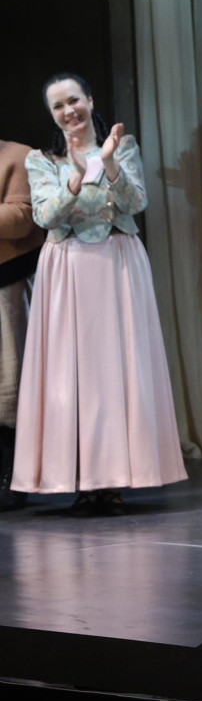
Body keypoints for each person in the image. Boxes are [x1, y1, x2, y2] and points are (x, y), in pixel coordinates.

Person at [12, 73, 186, 514]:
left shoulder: (121, 148)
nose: (68, 111)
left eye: (74, 100)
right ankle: (81, 480)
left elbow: (136, 203)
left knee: (117, 367)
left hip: (117, 263)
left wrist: (107, 164)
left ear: (89, 100)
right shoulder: (41, 160)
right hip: (67, 269)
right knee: (72, 373)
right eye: (58, 106)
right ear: (51, 114)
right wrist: (73, 180)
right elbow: (45, 216)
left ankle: (115, 481)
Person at [0, 139, 42, 512]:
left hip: (5, 282)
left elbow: (21, 219)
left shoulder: (18, 156)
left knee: (8, 386)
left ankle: (11, 477)